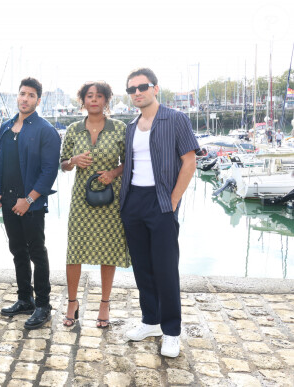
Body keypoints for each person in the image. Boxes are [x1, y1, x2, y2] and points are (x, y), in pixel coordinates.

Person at [120, 68, 199, 358]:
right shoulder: (131, 126)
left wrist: (174, 200)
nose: (137, 92)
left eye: (142, 86)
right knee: (142, 267)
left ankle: (172, 331)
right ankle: (150, 321)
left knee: (165, 268)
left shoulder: (175, 119)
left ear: (155, 88)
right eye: (132, 89)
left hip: (162, 200)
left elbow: (189, 162)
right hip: (133, 202)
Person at [0, 77, 61, 330]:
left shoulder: (45, 130)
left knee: (36, 253)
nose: (25, 98)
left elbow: (49, 170)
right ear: (17, 96)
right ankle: (24, 299)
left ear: (38, 100)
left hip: (31, 203)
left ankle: (43, 305)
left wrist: (29, 199)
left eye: (31, 95)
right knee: (17, 251)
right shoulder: (7, 127)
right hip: (8, 200)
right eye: (22, 94)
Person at [59, 81, 130, 328]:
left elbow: (128, 162)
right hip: (81, 198)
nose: (94, 100)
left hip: (111, 199)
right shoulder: (73, 130)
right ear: (83, 100)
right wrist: (73, 160)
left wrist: (113, 172)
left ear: (106, 100)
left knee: (108, 250)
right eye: (89, 96)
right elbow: (63, 164)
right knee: (74, 250)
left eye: (99, 96)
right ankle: (72, 302)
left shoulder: (120, 128)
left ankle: (105, 303)